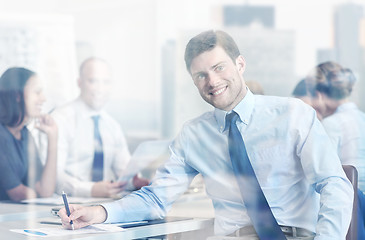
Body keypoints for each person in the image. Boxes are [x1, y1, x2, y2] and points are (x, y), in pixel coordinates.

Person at [59, 30, 353, 239]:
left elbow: (333, 184)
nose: (212, 81)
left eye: (219, 67)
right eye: (200, 75)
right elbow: (155, 199)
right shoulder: (194, 134)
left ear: (240, 64)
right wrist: (100, 212)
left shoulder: (292, 114)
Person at [52, 57, 149, 198]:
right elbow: (53, 175)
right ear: (79, 83)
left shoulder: (112, 125)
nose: (100, 88)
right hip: (66, 204)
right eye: (92, 81)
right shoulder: (60, 120)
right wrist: (90, 190)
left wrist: (135, 182)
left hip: (101, 204)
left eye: (106, 82)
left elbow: (124, 170)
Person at [305, 62, 365, 238]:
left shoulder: (331, 124)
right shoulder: (362, 118)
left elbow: (324, 173)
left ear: (319, 94)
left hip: (353, 209)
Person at [0, 67, 58, 201]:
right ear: (17, 95)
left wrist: (53, 137)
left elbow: (45, 190)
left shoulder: (25, 134)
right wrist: (32, 192)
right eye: (37, 92)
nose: (43, 99)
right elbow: (19, 194)